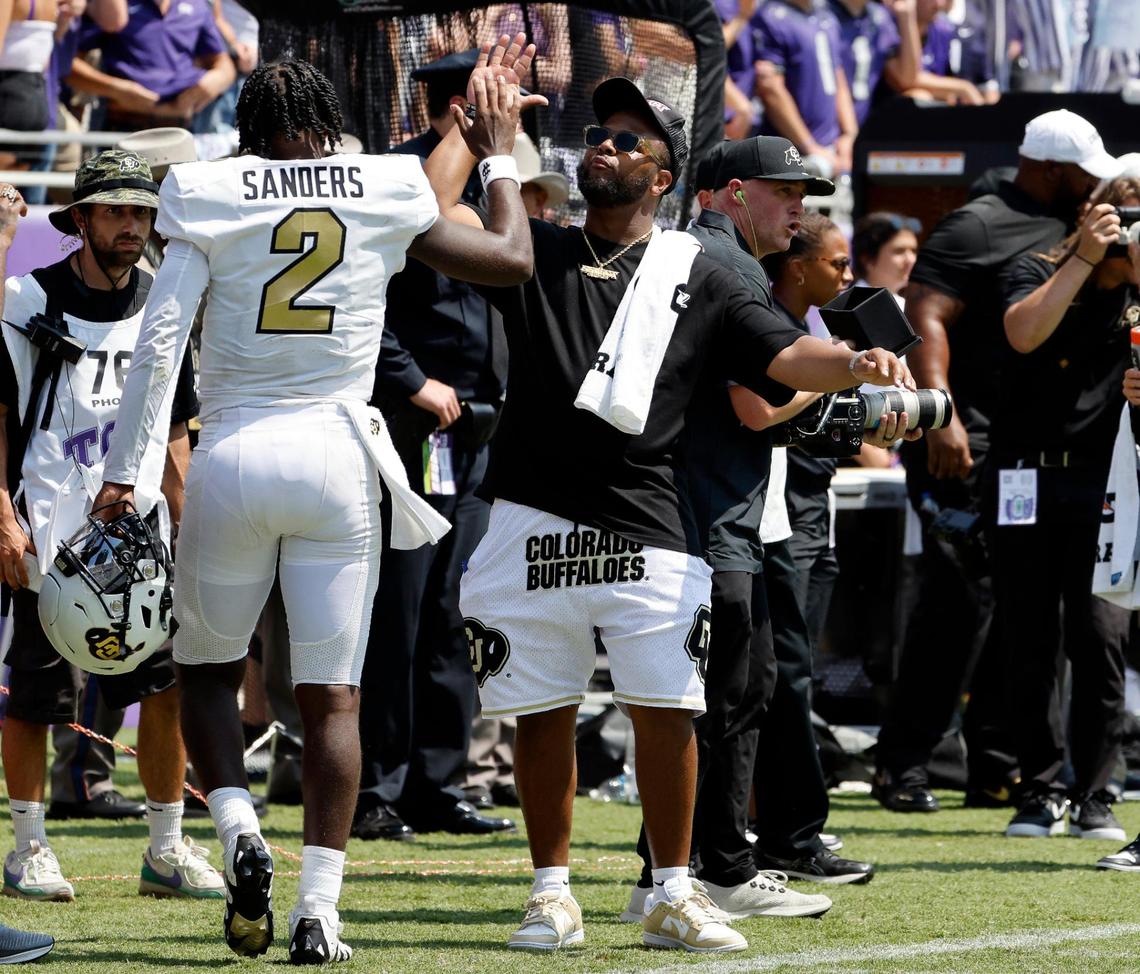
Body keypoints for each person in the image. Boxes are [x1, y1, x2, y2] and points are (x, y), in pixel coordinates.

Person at [427, 56, 912, 949]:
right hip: (532, 507)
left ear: (662, 174)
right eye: (597, 135)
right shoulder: (537, 245)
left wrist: (852, 361)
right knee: (543, 708)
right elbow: (427, 217)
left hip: (649, 512)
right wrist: (475, 133)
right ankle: (550, 891)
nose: (604, 146)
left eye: (627, 140)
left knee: (670, 704)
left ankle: (674, 891)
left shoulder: (704, 270)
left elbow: (779, 355)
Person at [92, 50, 538, 964]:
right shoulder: (380, 182)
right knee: (334, 695)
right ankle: (319, 912)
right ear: (330, 118)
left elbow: (160, 345)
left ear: (248, 127)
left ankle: (237, 833)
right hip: (339, 455)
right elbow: (510, 260)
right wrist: (494, 149)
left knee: (210, 675)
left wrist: (128, 476)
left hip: (235, 451)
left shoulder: (209, 189)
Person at [875, 109, 1118, 813]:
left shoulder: (1074, 228)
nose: (1091, 188)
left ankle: (993, 764)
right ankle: (904, 764)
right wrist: (939, 410)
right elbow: (924, 315)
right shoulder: (979, 223)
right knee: (960, 601)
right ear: (1049, 168)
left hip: (1026, 437)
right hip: (969, 437)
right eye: (1083, 173)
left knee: (1016, 613)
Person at [622, 137, 839, 924]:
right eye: (787, 193)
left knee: (699, 697)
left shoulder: (689, 251)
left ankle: (665, 872)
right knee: (726, 695)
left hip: (691, 508)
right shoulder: (731, 264)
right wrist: (840, 381)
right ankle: (719, 868)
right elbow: (756, 405)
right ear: (736, 191)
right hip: (709, 516)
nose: (800, 212)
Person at [0, 153, 220, 904]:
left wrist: (186, 519)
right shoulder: (26, 298)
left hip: (139, 546)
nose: (133, 225)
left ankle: (165, 849)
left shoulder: (163, 302)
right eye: (117, 212)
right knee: (34, 698)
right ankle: (28, 848)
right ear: (83, 220)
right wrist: (3, 516)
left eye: (143, 213)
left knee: (164, 693)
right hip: (47, 533)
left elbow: (176, 423)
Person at [353, 47, 517, 843]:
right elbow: (363, 300)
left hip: (481, 431)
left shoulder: (503, 181)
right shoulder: (401, 179)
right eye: (505, 95)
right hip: (412, 426)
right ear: (464, 104)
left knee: (461, 607)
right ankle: (376, 787)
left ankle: (436, 783)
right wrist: (411, 379)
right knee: (400, 608)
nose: (519, 110)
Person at [746, 212, 903, 884]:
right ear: (798, 264)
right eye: (837, 265)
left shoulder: (823, 325)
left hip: (805, 508)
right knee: (773, 676)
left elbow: (816, 421)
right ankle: (780, 834)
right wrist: (840, 374)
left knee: (786, 675)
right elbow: (760, 408)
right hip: (770, 515)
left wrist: (871, 420)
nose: (849, 279)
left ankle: (777, 830)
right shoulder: (762, 320)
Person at [994, 178, 1138, 840]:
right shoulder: (1036, 267)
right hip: (1027, 478)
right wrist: (1085, 255)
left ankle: (1096, 791)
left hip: (1109, 485)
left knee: (1101, 637)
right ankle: (1039, 788)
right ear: (1090, 211)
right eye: (1123, 207)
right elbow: (1023, 334)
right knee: (1028, 638)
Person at [67, 0, 236, 133]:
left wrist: (213, 82)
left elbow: (224, 64)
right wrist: (117, 89)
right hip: (124, 127)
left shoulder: (196, 5)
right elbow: (68, 65)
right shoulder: (115, 8)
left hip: (182, 130)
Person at [752, 0, 858, 177]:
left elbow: (837, 76)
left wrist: (849, 135)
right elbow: (770, 88)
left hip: (831, 152)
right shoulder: (770, 17)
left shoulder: (826, 15)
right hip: (790, 154)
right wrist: (809, 146)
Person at [828, 0, 920, 126]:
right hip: (822, 134)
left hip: (859, 131)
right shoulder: (821, 15)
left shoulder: (879, 17)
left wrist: (906, 16)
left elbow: (906, 78)